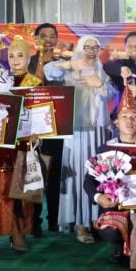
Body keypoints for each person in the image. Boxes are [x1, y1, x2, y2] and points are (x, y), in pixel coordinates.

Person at [45, 35, 116, 244]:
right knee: (76, 176)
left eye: (95, 47)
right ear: (79, 48)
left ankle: (96, 220)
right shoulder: (68, 67)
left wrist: (99, 83)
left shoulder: (102, 70)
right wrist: (69, 64)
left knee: (98, 175)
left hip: (98, 131)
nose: (91, 51)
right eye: (87, 47)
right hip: (75, 131)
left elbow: (110, 96)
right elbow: (48, 71)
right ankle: (80, 223)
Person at [86, 90, 136, 266]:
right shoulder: (106, 149)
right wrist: (99, 197)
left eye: (134, 117)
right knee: (110, 231)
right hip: (115, 207)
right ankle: (120, 247)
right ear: (116, 122)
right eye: (124, 117)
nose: (129, 121)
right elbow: (88, 181)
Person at [0, 37, 42, 253]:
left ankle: (22, 230)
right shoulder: (0, 82)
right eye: (11, 56)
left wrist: (38, 134)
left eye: (20, 55)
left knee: (23, 189)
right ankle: (13, 231)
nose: (15, 60)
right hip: (4, 144)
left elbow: (42, 114)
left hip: (25, 143)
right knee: (5, 189)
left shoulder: (36, 84)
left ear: (28, 58)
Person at [27, 23, 65, 235]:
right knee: (34, 174)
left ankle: (54, 220)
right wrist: (41, 62)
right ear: (35, 39)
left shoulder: (63, 63)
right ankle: (33, 221)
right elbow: (31, 87)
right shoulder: (28, 62)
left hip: (56, 126)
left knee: (54, 174)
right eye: (43, 36)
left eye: (52, 36)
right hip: (33, 128)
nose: (48, 40)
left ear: (57, 39)